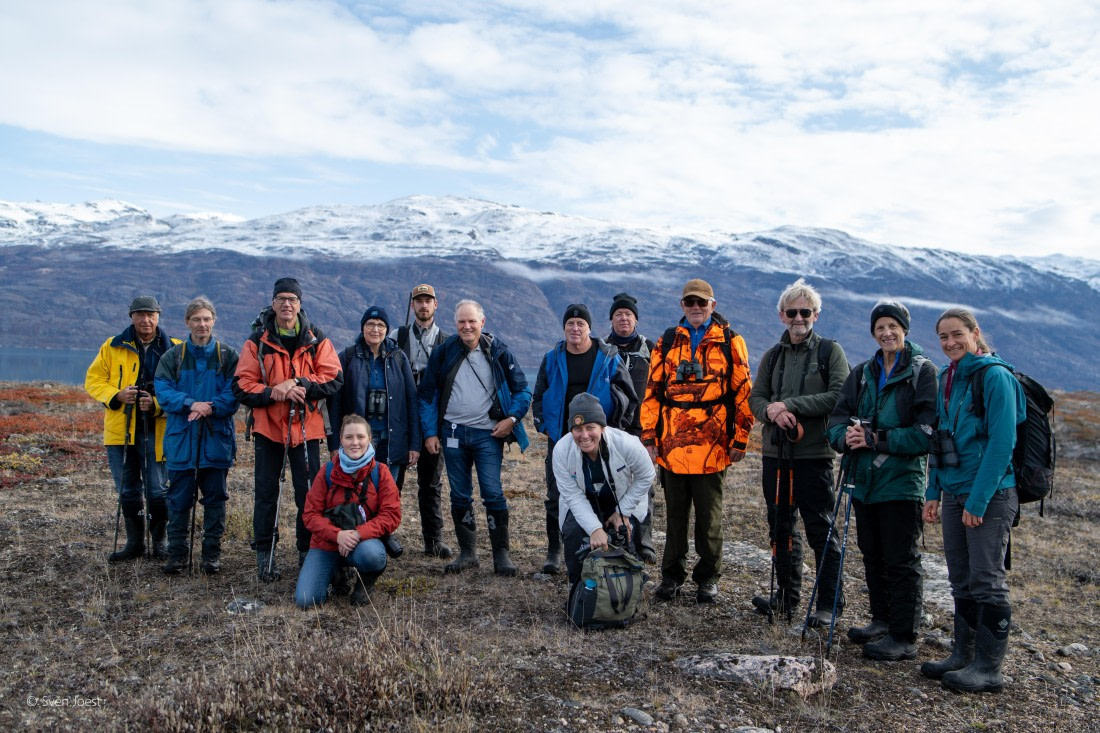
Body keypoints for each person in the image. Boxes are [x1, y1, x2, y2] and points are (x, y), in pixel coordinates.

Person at [826, 301, 938, 660]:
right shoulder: (862, 373)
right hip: (864, 481)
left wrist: (875, 438)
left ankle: (904, 634)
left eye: (893, 326)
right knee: (872, 553)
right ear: (873, 332)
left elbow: (926, 434)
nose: (887, 333)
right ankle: (881, 620)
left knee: (901, 558)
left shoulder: (922, 373)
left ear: (904, 329)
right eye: (880, 328)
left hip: (901, 483)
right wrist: (847, 438)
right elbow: (836, 420)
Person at [921, 307, 1025, 692]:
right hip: (953, 492)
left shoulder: (995, 377)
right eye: (943, 337)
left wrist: (977, 502)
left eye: (957, 334)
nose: (950, 343)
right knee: (960, 578)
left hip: (990, 495)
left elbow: (1002, 444)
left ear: (975, 332)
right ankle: (962, 655)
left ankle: (988, 668)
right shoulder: (948, 376)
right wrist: (934, 492)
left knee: (986, 580)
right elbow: (940, 438)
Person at [640, 279, 754, 603]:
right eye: (690, 302)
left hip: (713, 445)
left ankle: (707, 578)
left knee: (709, 516)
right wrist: (649, 436)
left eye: (701, 303)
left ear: (712, 306)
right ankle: (671, 576)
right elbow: (652, 392)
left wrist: (740, 438)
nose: (695, 308)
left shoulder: (731, 342)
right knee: (675, 516)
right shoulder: (665, 341)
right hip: (672, 443)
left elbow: (744, 392)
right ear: (682, 306)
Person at [748, 279, 850, 624]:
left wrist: (789, 404)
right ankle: (786, 597)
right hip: (776, 455)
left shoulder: (829, 352)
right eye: (792, 312)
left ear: (816, 315)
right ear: (781, 316)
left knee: (820, 528)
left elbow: (839, 395)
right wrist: (772, 411)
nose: (798, 317)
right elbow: (756, 398)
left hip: (814, 456)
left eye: (805, 312)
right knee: (780, 526)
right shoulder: (773, 356)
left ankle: (829, 604)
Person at [233, 277, 343, 582]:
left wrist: (301, 384)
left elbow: (333, 377)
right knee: (266, 495)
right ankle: (264, 557)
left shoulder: (316, 339)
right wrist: (275, 392)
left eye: (292, 299)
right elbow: (242, 385)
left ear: (299, 303)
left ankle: (308, 553)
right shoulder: (256, 341)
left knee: (308, 495)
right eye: (281, 298)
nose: (286, 304)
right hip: (269, 431)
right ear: (273, 303)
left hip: (306, 432)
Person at [418, 299, 531, 576]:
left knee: (492, 491)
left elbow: (522, 391)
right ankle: (467, 553)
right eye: (461, 322)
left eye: (472, 321)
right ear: (455, 324)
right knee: (459, 494)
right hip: (453, 432)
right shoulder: (444, 352)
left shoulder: (499, 351)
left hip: (488, 434)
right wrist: (431, 432)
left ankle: (501, 556)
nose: (466, 326)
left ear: (483, 322)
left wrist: (511, 419)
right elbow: (428, 395)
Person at [532, 303, 637, 574]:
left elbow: (627, 396)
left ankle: (608, 544)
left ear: (590, 328)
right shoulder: (552, 358)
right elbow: (539, 393)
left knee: (601, 491)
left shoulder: (607, 356)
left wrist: (614, 429)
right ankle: (555, 551)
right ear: (564, 327)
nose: (575, 328)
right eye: (570, 324)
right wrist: (544, 425)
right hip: (562, 438)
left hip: (597, 438)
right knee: (557, 494)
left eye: (581, 324)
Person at [85, 296, 180, 562]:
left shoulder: (174, 349)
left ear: (159, 316)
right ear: (131, 317)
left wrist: (158, 404)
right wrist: (117, 395)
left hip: (157, 428)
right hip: (121, 430)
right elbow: (93, 380)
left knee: (157, 489)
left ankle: (159, 543)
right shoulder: (112, 346)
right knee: (127, 489)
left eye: (150, 314)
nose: (145, 320)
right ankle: (135, 543)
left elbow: (183, 390)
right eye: (139, 314)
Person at [296, 415, 400, 608]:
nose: (355, 443)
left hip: (363, 543)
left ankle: (365, 582)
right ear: (341, 440)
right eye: (349, 437)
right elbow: (310, 515)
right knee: (306, 600)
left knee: (373, 556)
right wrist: (338, 535)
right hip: (327, 544)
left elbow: (391, 516)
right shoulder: (327, 471)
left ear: (369, 439)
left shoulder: (381, 472)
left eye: (360, 437)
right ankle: (337, 574)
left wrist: (358, 534)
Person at [553, 393, 654, 585]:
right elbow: (573, 497)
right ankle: (580, 589)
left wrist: (621, 512)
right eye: (577, 429)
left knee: (622, 534)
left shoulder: (627, 444)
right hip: (583, 503)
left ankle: (627, 588)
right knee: (574, 532)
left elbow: (647, 475)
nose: (584, 435)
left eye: (590, 427)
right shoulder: (561, 451)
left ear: (602, 427)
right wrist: (594, 529)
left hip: (620, 500)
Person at [389, 284, 452, 558]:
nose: (423, 306)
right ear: (412, 305)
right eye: (418, 301)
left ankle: (434, 541)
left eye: (428, 301)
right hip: (399, 419)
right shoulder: (396, 336)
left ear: (436, 305)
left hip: (432, 423)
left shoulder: (447, 342)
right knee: (390, 483)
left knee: (431, 483)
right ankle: (383, 536)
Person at [605, 292, 658, 563]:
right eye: (618, 314)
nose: (623, 318)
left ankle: (643, 541)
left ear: (635, 319)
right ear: (611, 319)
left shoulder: (652, 348)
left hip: (642, 429)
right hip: (611, 429)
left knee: (644, 483)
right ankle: (613, 537)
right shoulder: (601, 348)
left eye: (628, 314)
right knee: (610, 483)